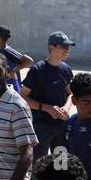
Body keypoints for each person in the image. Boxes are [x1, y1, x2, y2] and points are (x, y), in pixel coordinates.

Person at [22, 31, 75, 159]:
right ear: (51, 47)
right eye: (63, 47)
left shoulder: (66, 70)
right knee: (38, 165)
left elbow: (71, 93)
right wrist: (47, 108)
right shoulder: (37, 70)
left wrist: (67, 108)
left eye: (68, 47)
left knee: (61, 164)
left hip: (61, 126)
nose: (67, 50)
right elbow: (23, 97)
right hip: (41, 127)